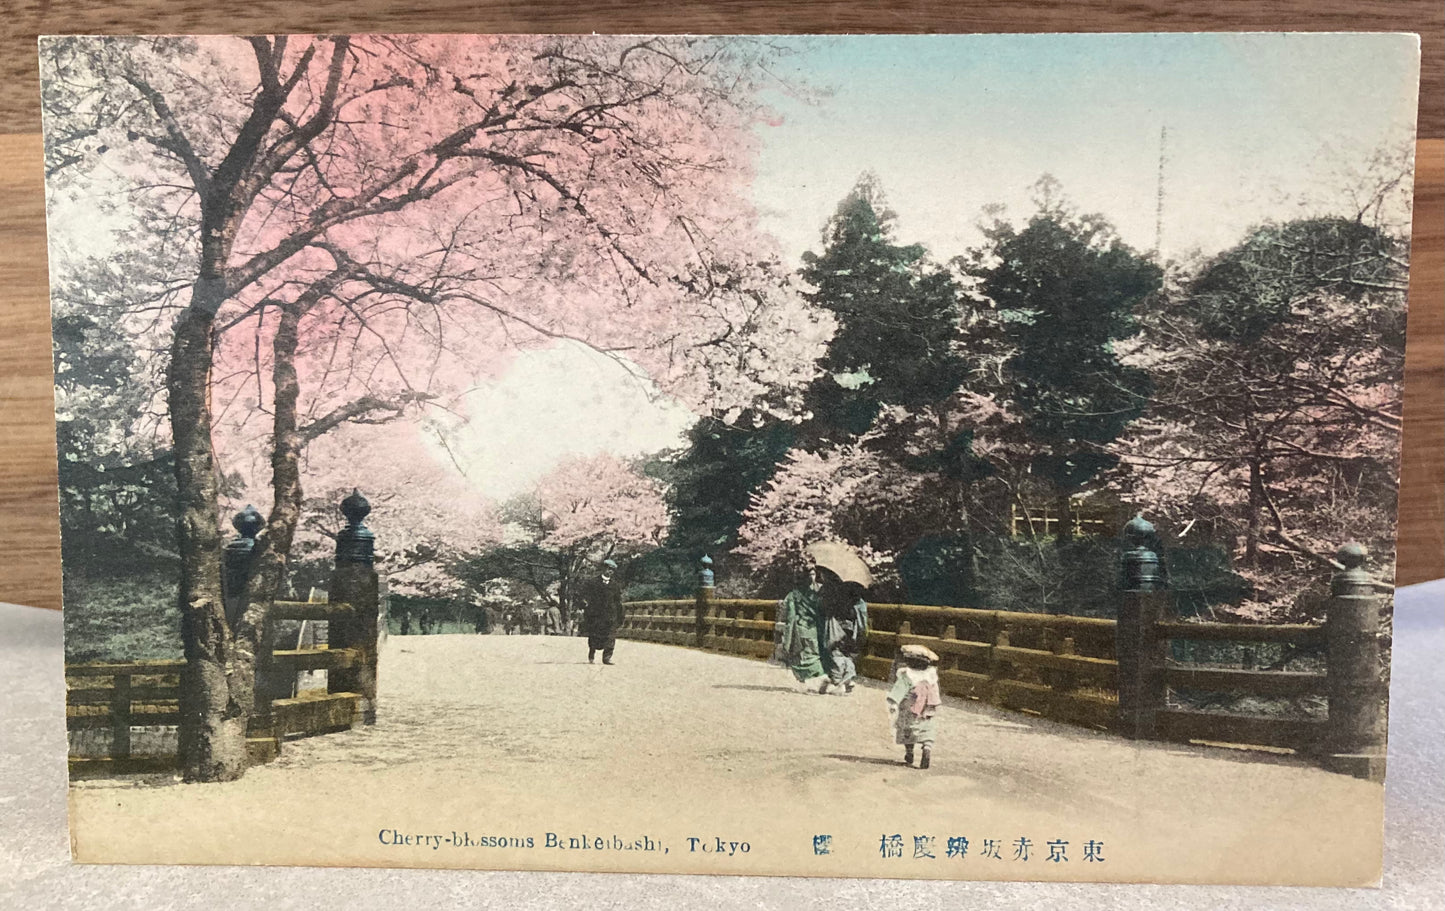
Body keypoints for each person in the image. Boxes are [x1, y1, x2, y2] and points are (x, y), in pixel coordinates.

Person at [887, 644, 941, 768]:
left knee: (908, 730)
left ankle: (909, 751)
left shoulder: (907, 676)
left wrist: (894, 703)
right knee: (927, 730)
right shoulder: (931, 676)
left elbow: (898, 690)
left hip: (910, 709)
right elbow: (935, 693)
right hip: (926, 710)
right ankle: (927, 748)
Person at [775, 565, 827, 690]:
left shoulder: (794, 595)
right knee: (814, 654)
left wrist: (788, 630)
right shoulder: (819, 593)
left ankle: (806, 681)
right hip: (814, 628)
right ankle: (819, 678)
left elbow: (789, 614)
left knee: (799, 655)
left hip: (799, 628)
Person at [817, 568, 868, 695]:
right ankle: (848, 679)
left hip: (837, 626)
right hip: (852, 627)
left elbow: (822, 607)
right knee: (846, 653)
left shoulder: (832, 589)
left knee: (834, 652)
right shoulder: (853, 590)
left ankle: (837, 682)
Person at [581, 559, 624, 664]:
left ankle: (607, 657)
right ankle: (592, 652)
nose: (610, 571)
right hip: (595, 614)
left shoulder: (615, 585)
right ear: (603, 568)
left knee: (610, 636)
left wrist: (620, 615)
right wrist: (585, 605)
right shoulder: (592, 582)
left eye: (612, 570)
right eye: (608, 569)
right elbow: (583, 596)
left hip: (610, 615)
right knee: (594, 635)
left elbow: (618, 601)